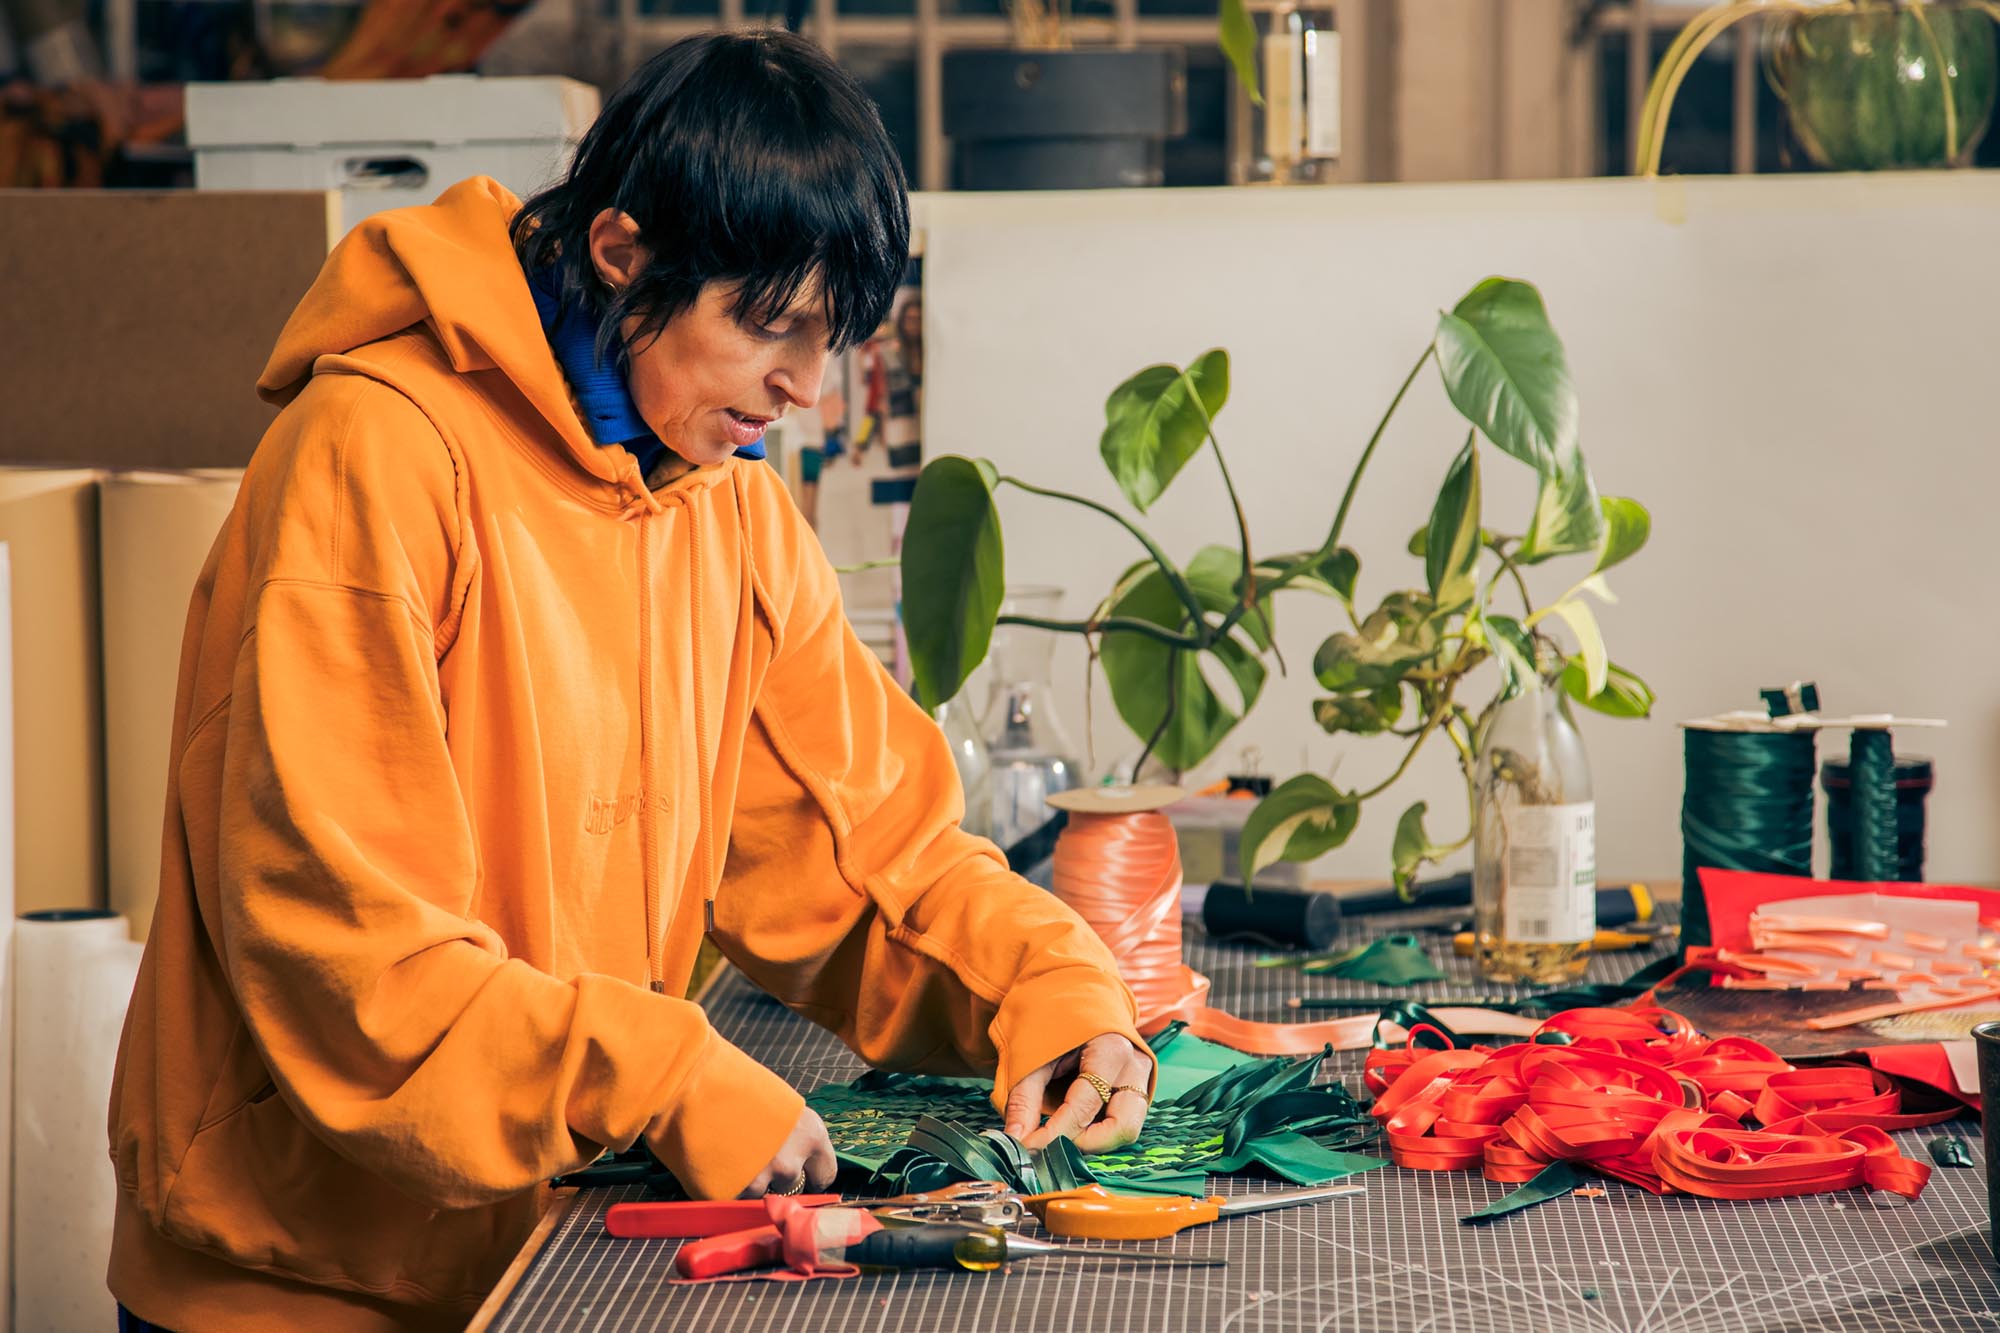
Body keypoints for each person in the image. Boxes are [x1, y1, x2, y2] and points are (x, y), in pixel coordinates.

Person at [107, 31, 1153, 1333]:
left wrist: (1047, 989)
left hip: (547, 1245)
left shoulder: (731, 511)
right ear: (621, 251)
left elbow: (865, 864)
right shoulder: (372, 455)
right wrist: (653, 1071)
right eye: (768, 322)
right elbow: (347, 948)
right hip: (294, 1277)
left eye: (828, 337)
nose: (803, 387)